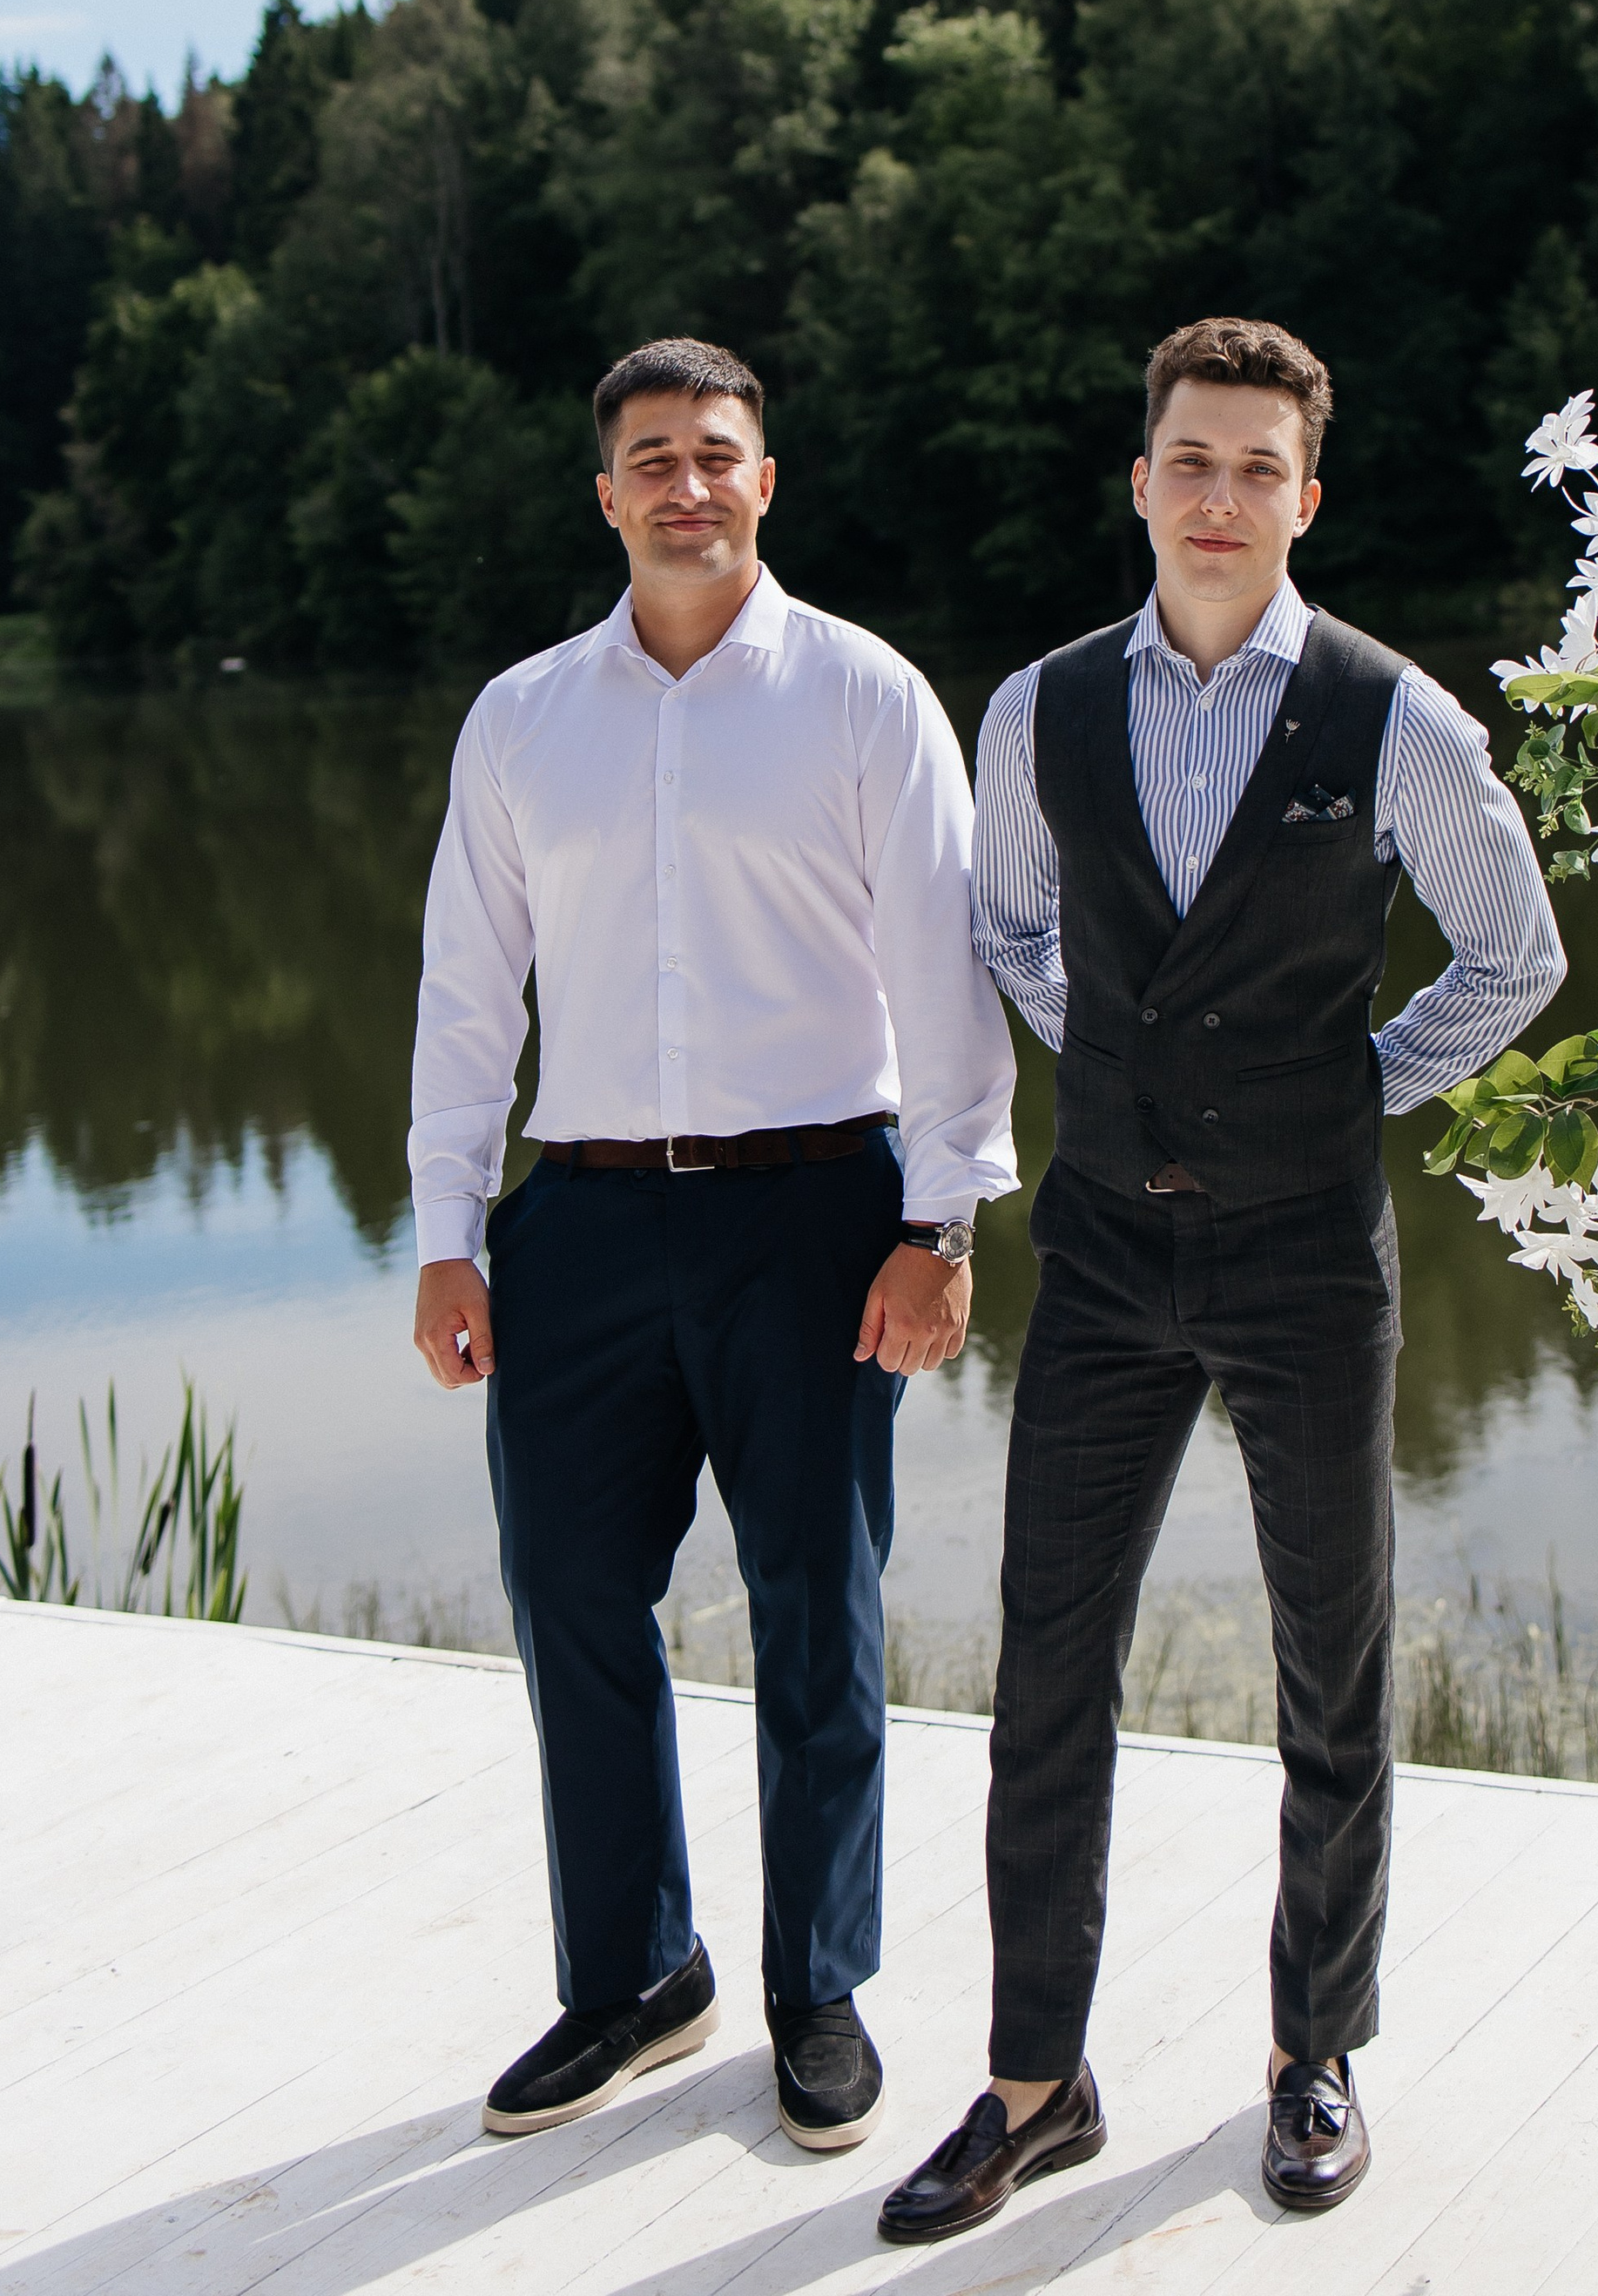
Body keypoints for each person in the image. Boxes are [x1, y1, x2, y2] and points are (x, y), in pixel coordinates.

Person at [879, 315, 1565, 2242]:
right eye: (1190, 459)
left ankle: (1311, 2056)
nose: (1219, 495)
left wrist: (1355, 1089)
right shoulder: (1038, 710)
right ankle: (1034, 2078)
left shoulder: (1389, 718)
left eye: (1258, 468)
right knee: (1042, 1667)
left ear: (1303, 497)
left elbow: (1512, 962)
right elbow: (1000, 920)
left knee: (1328, 1669)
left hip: (1301, 1260)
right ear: (1141, 480)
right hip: (1097, 1250)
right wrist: (1107, 1053)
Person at [408, 334, 1017, 2153]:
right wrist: (449, 1230)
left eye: (717, 453)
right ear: (605, 494)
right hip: (581, 1220)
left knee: (813, 1612)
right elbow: (461, 992)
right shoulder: (522, 717)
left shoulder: (860, 698)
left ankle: (811, 1988)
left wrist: (942, 1217)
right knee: (571, 1601)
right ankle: (630, 1979)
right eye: (651, 456)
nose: (685, 482)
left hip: (817, 1212)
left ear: (768, 480)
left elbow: (945, 977)